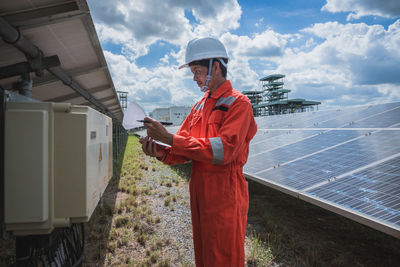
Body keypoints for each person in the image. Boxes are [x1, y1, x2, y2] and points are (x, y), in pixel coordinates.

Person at [140, 37, 257, 267]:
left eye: (197, 71)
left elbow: (224, 150)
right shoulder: (199, 106)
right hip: (200, 189)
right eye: (193, 72)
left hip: (225, 192)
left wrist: (170, 138)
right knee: (204, 253)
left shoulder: (239, 104)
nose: (194, 78)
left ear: (215, 66)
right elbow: (182, 148)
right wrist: (159, 150)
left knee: (224, 256)